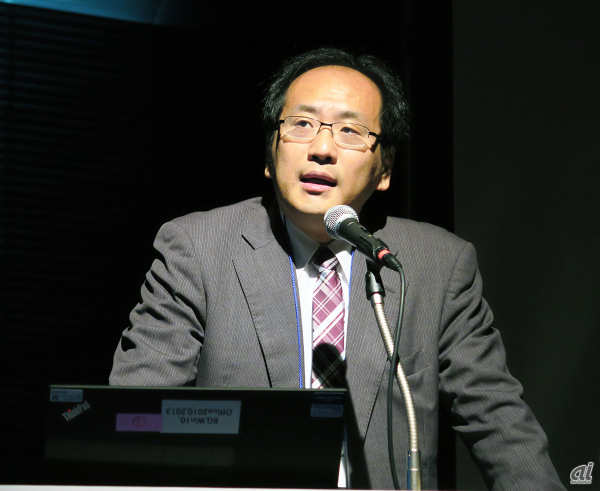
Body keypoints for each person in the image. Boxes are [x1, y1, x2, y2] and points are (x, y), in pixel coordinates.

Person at [110, 47, 565, 490]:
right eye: (302, 124)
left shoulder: (436, 264)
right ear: (270, 151)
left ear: (385, 167)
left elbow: (500, 423)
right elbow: (132, 418)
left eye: (350, 130)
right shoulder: (199, 248)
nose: (322, 148)